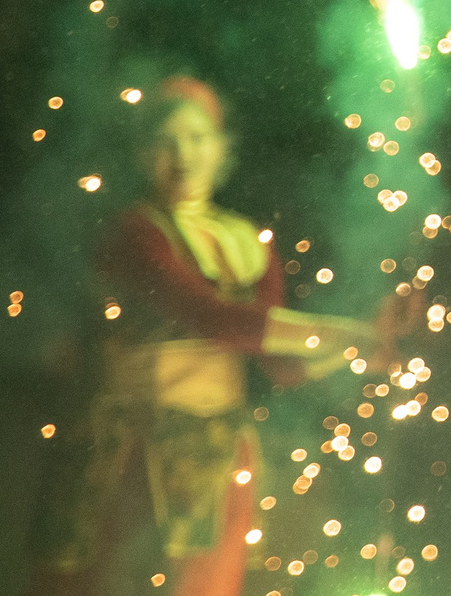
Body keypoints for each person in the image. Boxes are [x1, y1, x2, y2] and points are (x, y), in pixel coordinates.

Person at [27, 77, 389, 596]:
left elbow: (280, 366)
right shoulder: (136, 232)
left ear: (222, 149)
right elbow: (214, 319)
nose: (183, 155)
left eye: (197, 139)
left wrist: (356, 348)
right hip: (131, 455)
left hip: (217, 461)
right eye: (166, 141)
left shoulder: (248, 241)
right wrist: (342, 333)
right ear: (143, 154)